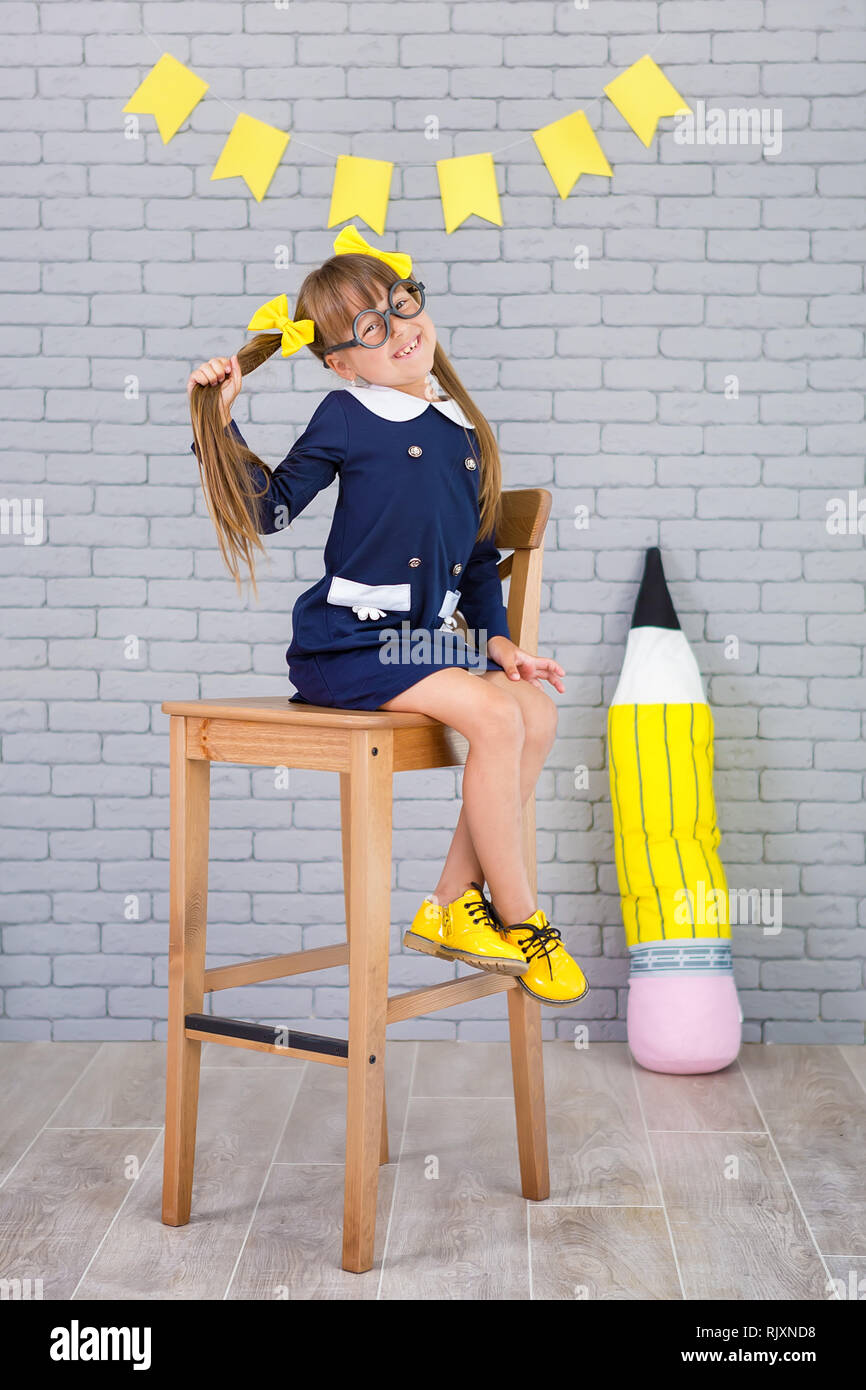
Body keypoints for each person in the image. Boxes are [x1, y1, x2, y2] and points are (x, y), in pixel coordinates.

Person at [187, 225, 588, 1007]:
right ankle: (522, 918)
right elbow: (268, 512)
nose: (399, 329)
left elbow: (474, 562)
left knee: (532, 711)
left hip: (418, 644)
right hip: (349, 645)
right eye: (369, 326)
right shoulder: (346, 415)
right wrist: (224, 421)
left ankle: (447, 906)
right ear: (341, 360)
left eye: (402, 305)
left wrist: (501, 644)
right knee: (497, 722)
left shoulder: (462, 433)